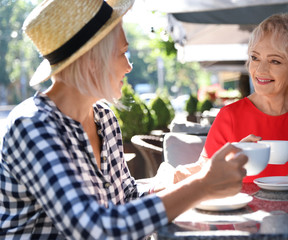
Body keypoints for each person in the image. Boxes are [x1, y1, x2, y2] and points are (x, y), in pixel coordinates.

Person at [0, 0, 248, 239]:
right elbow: (96, 230)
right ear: (93, 60)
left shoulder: (104, 117)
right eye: (122, 52)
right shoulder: (32, 125)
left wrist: (174, 181)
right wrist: (203, 186)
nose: (129, 66)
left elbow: (125, 196)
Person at [173, 13, 288, 191]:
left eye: (275, 61)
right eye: (255, 57)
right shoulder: (229, 116)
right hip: (244, 213)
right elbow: (204, 175)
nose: (260, 69)